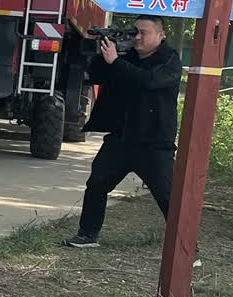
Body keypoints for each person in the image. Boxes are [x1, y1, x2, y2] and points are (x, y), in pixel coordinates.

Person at [64, 15, 180, 248]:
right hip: (121, 137)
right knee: (97, 183)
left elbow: (150, 81)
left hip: (154, 142)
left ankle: (187, 246)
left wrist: (116, 61)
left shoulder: (169, 60)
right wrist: (100, 52)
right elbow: (97, 76)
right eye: (134, 31)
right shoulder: (126, 56)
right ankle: (87, 235)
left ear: (161, 34)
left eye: (143, 32)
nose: (137, 37)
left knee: (167, 196)